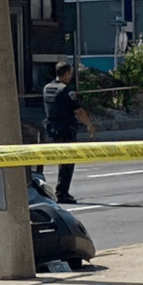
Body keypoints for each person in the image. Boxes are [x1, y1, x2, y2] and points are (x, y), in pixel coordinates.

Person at [42, 62, 96, 204]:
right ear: (66, 73)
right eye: (70, 73)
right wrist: (89, 125)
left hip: (51, 128)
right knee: (67, 162)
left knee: (61, 161)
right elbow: (78, 111)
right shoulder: (66, 90)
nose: (71, 76)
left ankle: (55, 191)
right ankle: (62, 193)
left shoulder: (47, 88)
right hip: (66, 129)